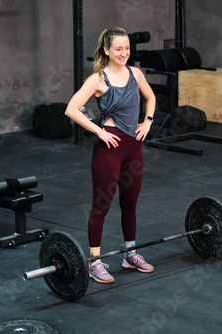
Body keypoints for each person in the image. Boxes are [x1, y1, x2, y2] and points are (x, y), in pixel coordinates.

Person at [65, 27, 156, 284]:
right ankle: (94, 262)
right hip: (109, 147)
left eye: (127, 48)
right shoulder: (98, 79)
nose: (124, 53)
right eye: (118, 49)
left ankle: (130, 254)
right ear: (106, 50)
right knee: (101, 206)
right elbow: (72, 109)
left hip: (133, 148)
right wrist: (99, 132)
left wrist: (148, 122)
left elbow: (150, 98)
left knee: (129, 204)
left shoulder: (135, 74)